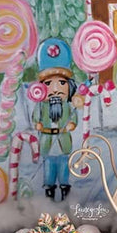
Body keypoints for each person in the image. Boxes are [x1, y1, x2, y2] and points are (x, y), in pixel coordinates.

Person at [32, 38, 78, 201]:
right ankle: (49, 190)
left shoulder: (67, 106)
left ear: (69, 86)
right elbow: (35, 117)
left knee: (64, 165)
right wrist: (37, 123)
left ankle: (65, 188)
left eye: (61, 83)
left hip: (63, 139)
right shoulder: (42, 106)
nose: (56, 89)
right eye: (49, 84)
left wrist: (72, 124)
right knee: (49, 166)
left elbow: (73, 116)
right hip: (47, 140)